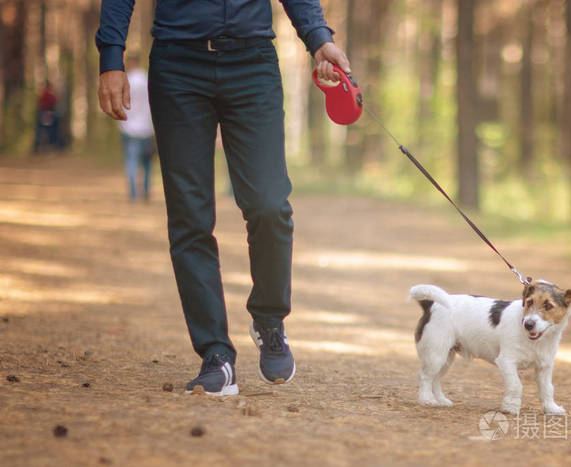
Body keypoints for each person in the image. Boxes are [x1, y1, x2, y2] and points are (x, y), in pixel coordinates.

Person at [95, 1, 351, 395]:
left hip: (252, 63)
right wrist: (111, 57)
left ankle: (268, 320)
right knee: (190, 218)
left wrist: (318, 39)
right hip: (178, 64)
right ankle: (216, 354)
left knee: (269, 205)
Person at [119, 55, 154, 202]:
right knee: (147, 162)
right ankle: (146, 191)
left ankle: (133, 194)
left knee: (131, 161)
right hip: (147, 128)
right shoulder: (147, 79)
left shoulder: (126, 81)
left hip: (129, 127)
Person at [33, 81, 61, 153]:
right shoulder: (47, 95)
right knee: (48, 130)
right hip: (47, 114)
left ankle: (43, 147)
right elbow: (53, 104)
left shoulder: (46, 95)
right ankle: (44, 147)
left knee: (46, 131)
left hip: (46, 114)